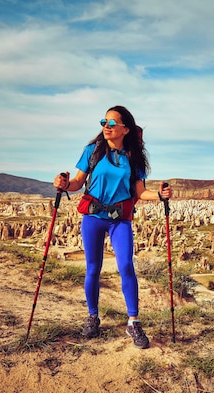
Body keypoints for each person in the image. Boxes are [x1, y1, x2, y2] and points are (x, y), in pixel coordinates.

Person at [53, 105, 172, 349]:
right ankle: (93, 317)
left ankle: (133, 322)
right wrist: (63, 184)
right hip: (94, 217)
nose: (106, 126)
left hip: (120, 218)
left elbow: (140, 192)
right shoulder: (93, 151)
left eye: (112, 123)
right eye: (104, 122)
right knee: (93, 268)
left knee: (127, 266)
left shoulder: (133, 158)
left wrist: (160, 196)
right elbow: (77, 182)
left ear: (125, 129)